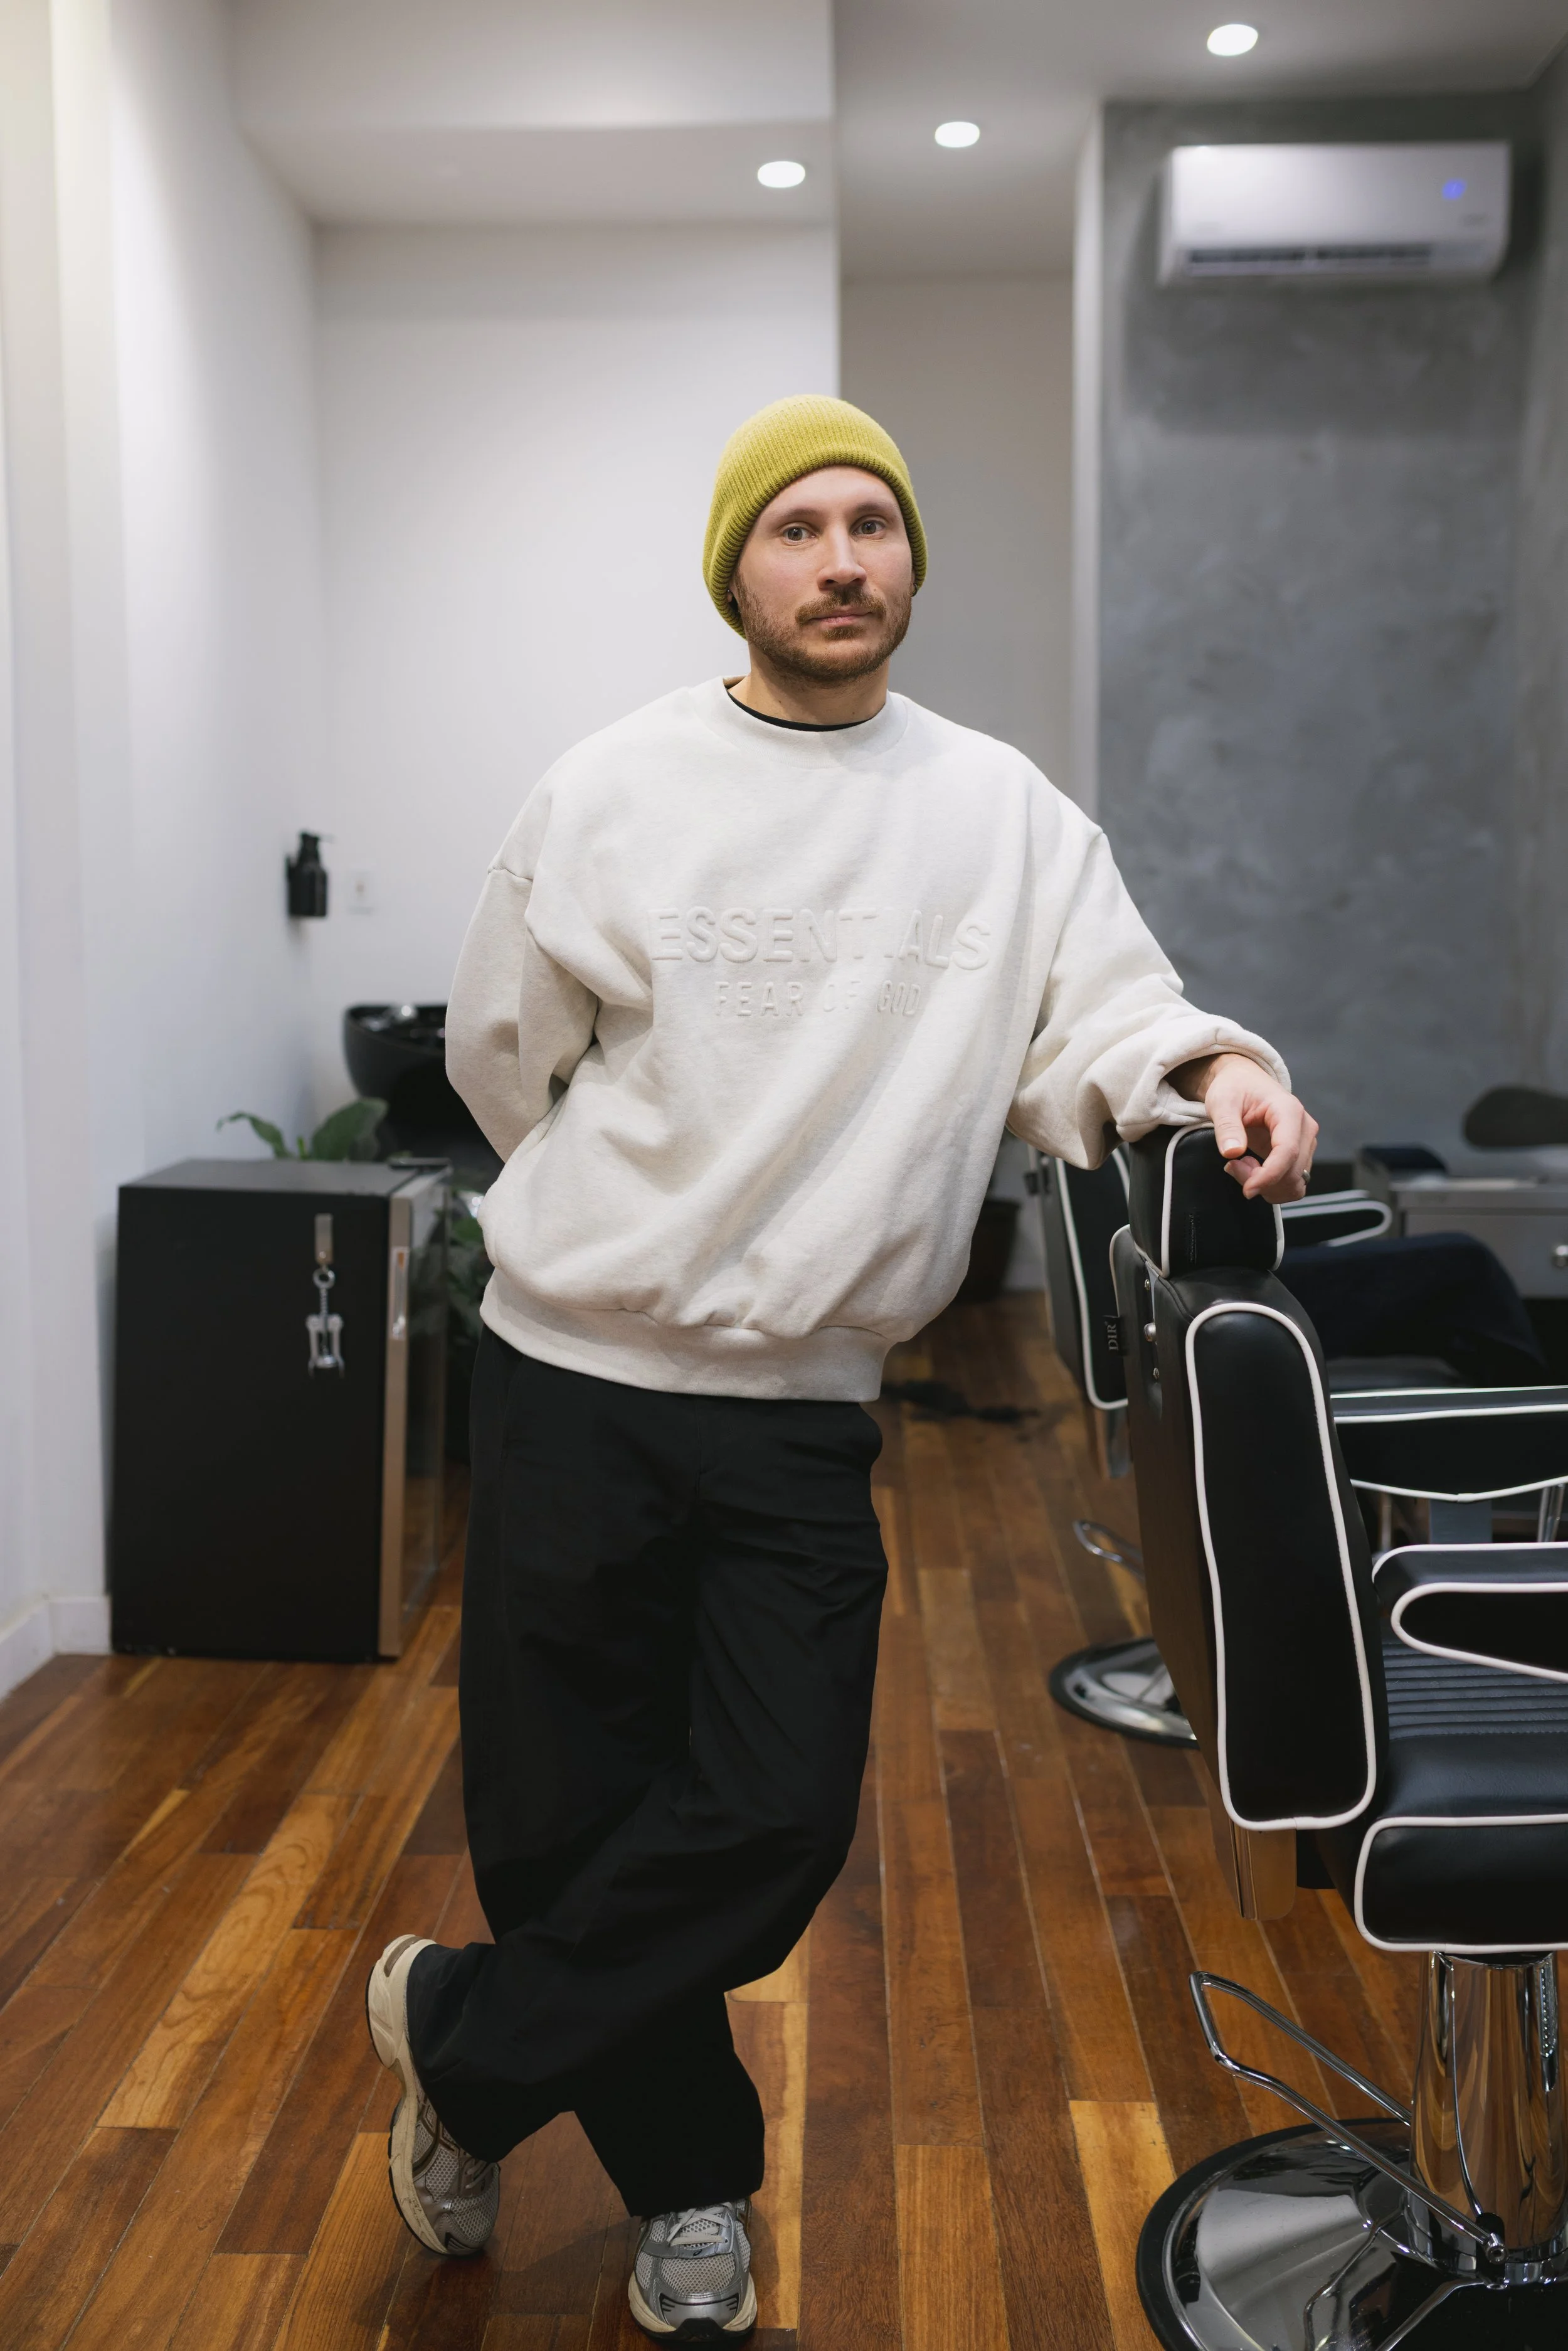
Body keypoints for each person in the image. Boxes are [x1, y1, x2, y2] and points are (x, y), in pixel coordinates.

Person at [364, 394, 1317, 2337]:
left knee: (776, 1818)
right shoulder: (614, 786)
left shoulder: (999, 811)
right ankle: (689, 2189)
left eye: (869, 525)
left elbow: (1108, 1013)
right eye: (795, 528)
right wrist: (635, 1225)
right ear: (736, 569)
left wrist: (1221, 1065)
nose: (839, 561)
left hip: (801, 1408)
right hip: (572, 1376)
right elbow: (501, 1058)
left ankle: (459, 2042)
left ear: (908, 562)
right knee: (560, 1823)